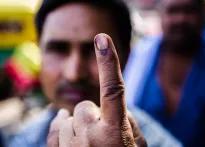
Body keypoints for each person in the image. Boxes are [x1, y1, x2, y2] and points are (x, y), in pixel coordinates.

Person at [9, 0, 182, 147]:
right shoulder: (22, 139)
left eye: (93, 51)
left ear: (125, 56)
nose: (73, 73)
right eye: (58, 49)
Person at [124, 0, 205, 146]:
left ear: (203, 14)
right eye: (173, 11)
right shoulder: (138, 57)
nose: (180, 19)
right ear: (161, 14)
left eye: (189, 11)